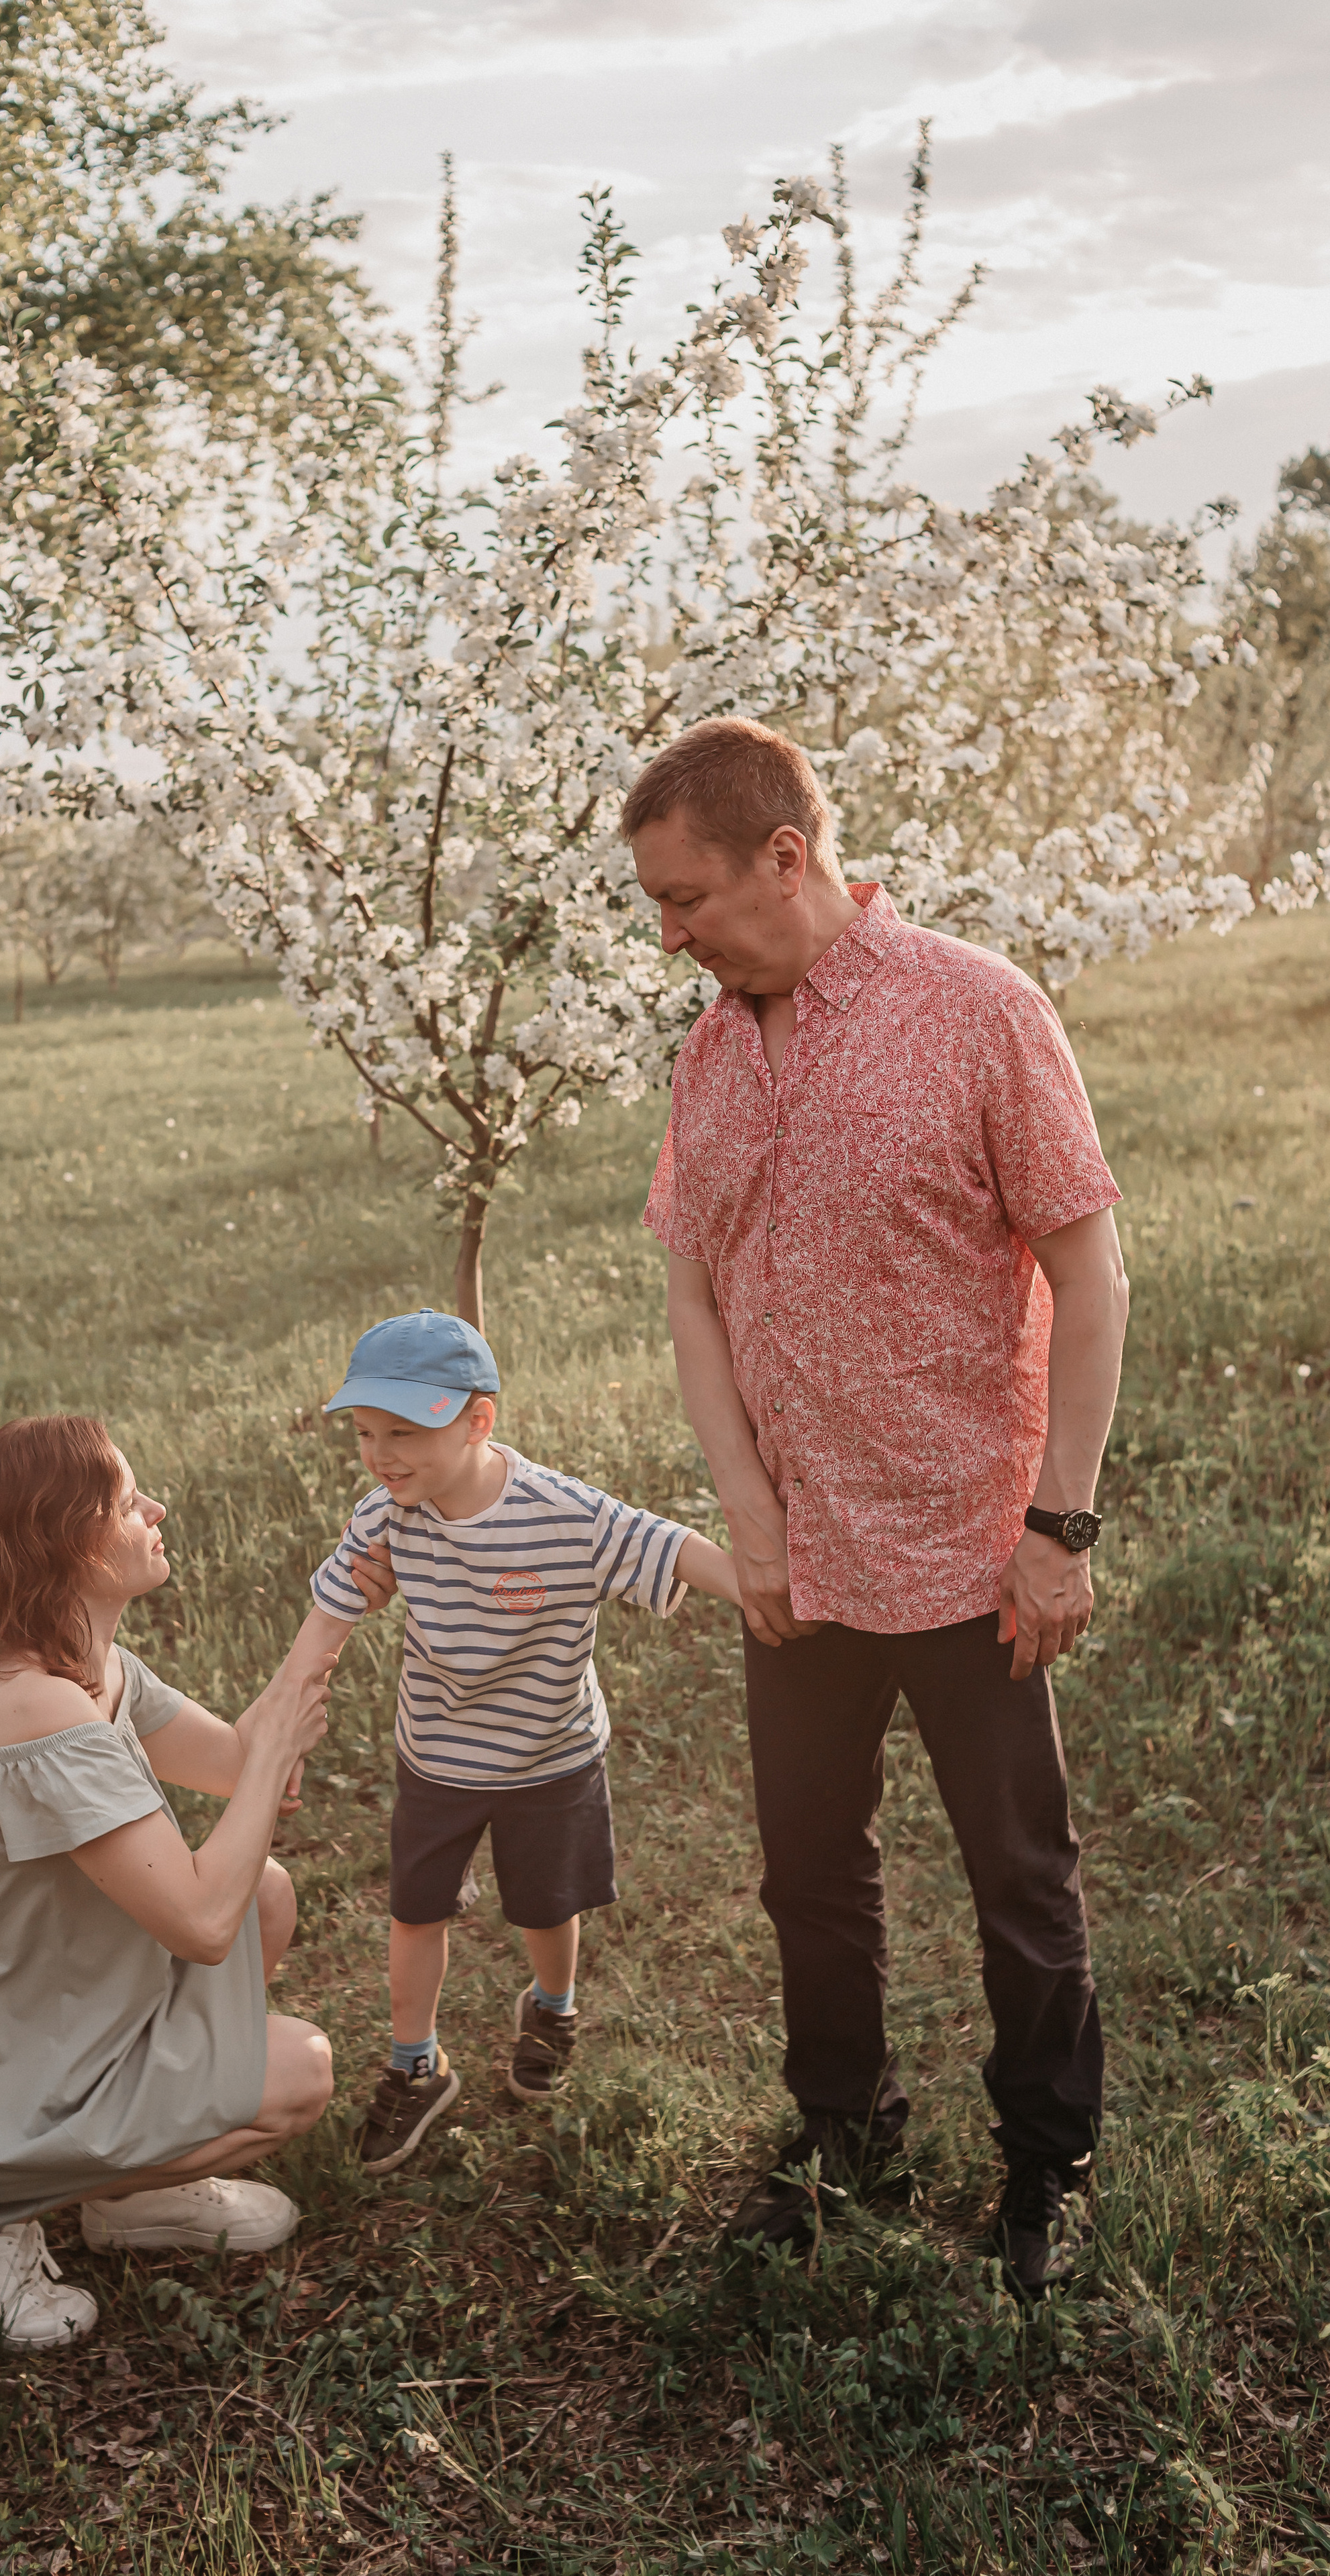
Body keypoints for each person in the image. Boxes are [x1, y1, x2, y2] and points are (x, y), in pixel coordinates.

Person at [627, 716, 1129, 2297]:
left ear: (788, 857)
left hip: (974, 1545)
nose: (669, 933)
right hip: (805, 1557)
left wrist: (1058, 1529)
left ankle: (1050, 2166)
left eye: (687, 896)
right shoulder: (714, 1048)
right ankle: (847, 2135)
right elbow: (691, 1292)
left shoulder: (978, 1012)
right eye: (652, 903)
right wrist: (748, 1515)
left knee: (1015, 1878)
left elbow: (1089, 1273)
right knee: (804, 1873)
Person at [0, 1414, 340, 2349]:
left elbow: (247, 1768)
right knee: (297, 2074)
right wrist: (273, 1750)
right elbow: (200, 1923)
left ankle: (130, 2196)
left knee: (267, 1891)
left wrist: (343, 1600)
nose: (156, 1509)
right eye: (127, 1501)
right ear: (69, 1540)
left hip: (43, 2031)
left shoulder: (94, 1670)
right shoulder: (35, 1708)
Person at [289, 1308, 744, 2176]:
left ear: (477, 1420)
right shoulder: (386, 1517)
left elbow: (667, 1545)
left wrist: (764, 1592)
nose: (383, 1455)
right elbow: (326, 1625)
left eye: (405, 1432)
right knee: (415, 1909)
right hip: (439, 1758)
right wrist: (276, 1734)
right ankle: (414, 2062)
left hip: (551, 1759)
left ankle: (553, 2004)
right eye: (365, 1434)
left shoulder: (561, 1513)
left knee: (545, 1905)